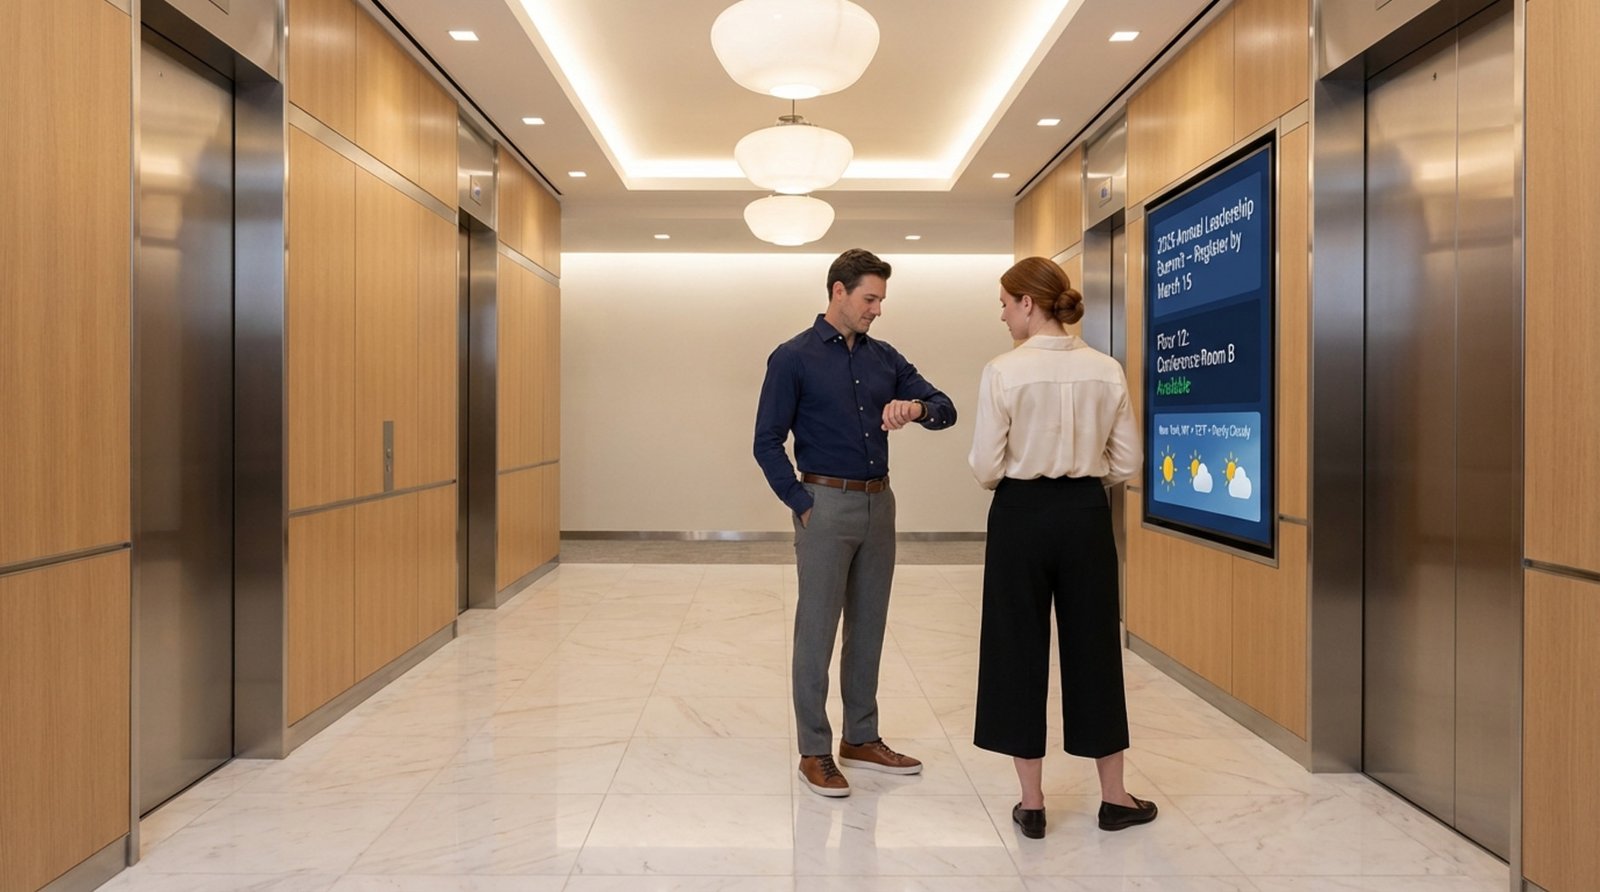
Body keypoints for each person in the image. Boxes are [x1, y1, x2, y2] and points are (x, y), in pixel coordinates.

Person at [754, 248, 957, 797]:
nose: (877, 310)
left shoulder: (884, 357)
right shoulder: (792, 357)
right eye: (870, 299)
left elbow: (945, 407)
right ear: (837, 292)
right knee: (816, 630)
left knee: (869, 625)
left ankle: (860, 738)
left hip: (879, 505)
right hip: (824, 503)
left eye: (881, 300)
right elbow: (766, 442)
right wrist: (800, 501)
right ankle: (814, 750)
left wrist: (915, 409)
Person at [967, 256, 1155, 838]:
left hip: (1020, 514)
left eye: (1004, 303)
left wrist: (1027, 480)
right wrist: (1082, 481)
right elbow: (1127, 462)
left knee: (1015, 649)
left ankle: (1032, 803)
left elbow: (984, 466)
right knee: (1095, 649)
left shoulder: (1003, 370)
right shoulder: (1107, 369)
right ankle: (1115, 797)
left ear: (1028, 303)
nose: (1001, 314)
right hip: (1084, 516)